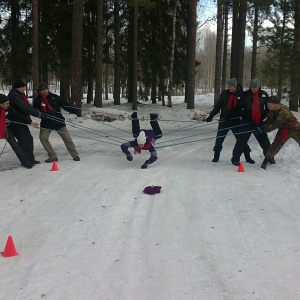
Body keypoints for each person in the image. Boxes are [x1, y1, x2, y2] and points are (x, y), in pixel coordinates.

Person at [205, 78, 255, 163]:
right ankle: (216, 156)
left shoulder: (242, 94)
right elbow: (218, 106)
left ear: (235, 86)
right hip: (224, 120)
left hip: (236, 121)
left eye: (230, 86)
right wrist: (211, 116)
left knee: (241, 139)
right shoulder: (224, 94)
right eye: (228, 86)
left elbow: (245, 108)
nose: (228, 88)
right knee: (219, 138)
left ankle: (248, 156)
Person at [33, 82, 81, 163]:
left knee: (67, 139)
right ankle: (52, 156)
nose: (45, 91)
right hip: (46, 123)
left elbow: (65, 105)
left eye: (46, 89)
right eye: (42, 90)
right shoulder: (37, 101)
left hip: (58, 121)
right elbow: (35, 112)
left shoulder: (54, 97)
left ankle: (75, 155)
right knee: (43, 138)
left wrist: (76, 111)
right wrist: (43, 115)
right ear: (39, 91)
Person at [231, 79, 273, 166]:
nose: (253, 89)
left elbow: (268, 107)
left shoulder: (264, 95)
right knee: (241, 141)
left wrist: (265, 115)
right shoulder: (245, 95)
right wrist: (239, 115)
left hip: (259, 122)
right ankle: (235, 159)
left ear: (259, 87)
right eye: (252, 87)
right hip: (246, 121)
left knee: (264, 141)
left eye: (255, 87)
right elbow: (238, 106)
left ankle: (270, 157)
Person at [255, 96, 300, 169]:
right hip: (284, 129)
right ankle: (266, 161)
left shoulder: (284, 112)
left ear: (275, 104)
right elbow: (269, 121)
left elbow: (274, 125)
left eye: (269, 104)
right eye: (267, 104)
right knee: (275, 145)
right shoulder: (271, 110)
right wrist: (260, 126)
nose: (267, 105)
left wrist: (262, 129)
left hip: (295, 128)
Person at [7, 80, 44, 167]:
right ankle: (26, 160)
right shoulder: (14, 96)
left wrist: (36, 113)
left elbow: (27, 105)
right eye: (23, 87)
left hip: (22, 120)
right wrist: (38, 114)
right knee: (23, 140)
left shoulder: (19, 94)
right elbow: (24, 107)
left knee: (29, 139)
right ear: (18, 88)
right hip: (16, 122)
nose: (24, 88)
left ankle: (31, 158)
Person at [0, 94, 40, 169]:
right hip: (3, 128)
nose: (8, 105)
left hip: (11, 125)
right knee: (14, 144)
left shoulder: (8, 108)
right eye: (6, 104)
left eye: (8, 103)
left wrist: (30, 122)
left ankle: (27, 160)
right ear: (0, 104)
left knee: (26, 139)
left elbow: (17, 114)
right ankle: (25, 160)